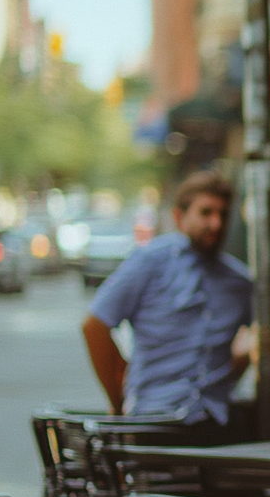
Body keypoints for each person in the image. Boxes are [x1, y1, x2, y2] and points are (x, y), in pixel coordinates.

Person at [81, 171, 255, 445]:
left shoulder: (239, 282)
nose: (216, 223)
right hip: (155, 420)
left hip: (216, 423)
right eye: (205, 213)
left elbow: (250, 342)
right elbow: (94, 326)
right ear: (179, 217)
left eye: (223, 214)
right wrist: (118, 400)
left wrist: (231, 368)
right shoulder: (150, 261)